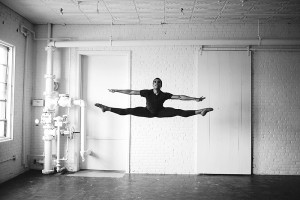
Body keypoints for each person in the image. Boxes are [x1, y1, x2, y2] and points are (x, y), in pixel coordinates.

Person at [95, 78, 213, 118]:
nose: (156, 83)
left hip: (161, 112)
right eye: (154, 82)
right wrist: (117, 90)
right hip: (147, 111)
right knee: (127, 111)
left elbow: (180, 97)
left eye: (158, 82)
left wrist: (195, 99)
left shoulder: (164, 95)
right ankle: (107, 108)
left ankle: (200, 111)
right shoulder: (147, 92)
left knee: (179, 112)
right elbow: (131, 92)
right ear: (152, 84)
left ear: (161, 85)